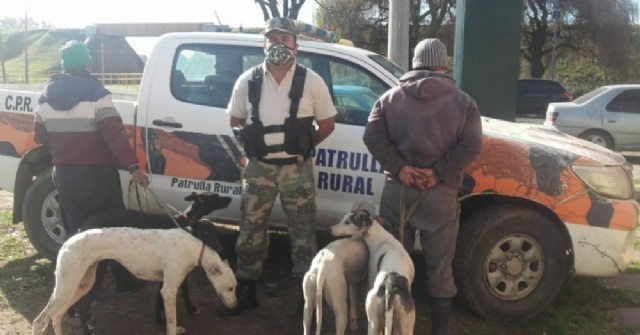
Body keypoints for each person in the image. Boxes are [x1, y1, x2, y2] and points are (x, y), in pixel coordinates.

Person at [363, 38, 483, 335]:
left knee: (391, 262)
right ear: (443, 63)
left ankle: (387, 324)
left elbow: (372, 137)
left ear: (415, 62)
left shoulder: (389, 98)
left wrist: (401, 168)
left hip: (398, 193)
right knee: (440, 268)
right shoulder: (465, 103)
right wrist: (438, 173)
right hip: (440, 196)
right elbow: (472, 144)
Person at [218, 17, 337, 316]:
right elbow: (235, 122)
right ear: (264, 45)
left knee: (303, 233)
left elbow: (327, 123)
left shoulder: (311, 81)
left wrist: (303, 145)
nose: (279, 45)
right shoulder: (248, 80)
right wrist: (248, 155)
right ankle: (246, 290)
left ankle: (305, 295)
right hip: (259, 169)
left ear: (296, 46)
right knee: (250, 230)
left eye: (285, 39)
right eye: (273, 39)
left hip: (297, 169)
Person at [34, 40, 150, 291]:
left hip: (64, 174)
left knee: (76, 230)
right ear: (87, 62)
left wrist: (64, 150)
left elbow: (40, 138)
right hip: (97, 175)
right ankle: (123, 280)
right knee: (112, 227)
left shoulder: (45, 97)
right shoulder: (97, 94)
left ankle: (78, 283)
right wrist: (133, 166)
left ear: (63, 64)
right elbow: (113, 135)